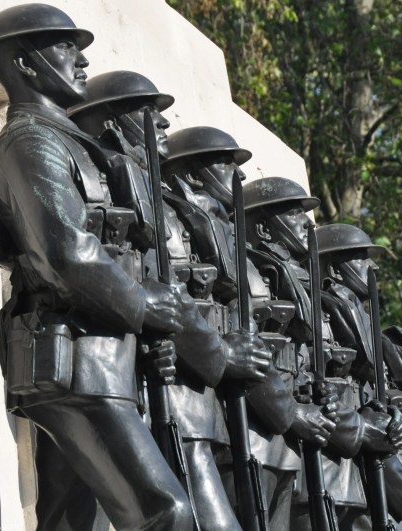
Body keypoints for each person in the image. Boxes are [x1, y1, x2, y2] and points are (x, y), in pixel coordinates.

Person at [0, 5, 194, 530]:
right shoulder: (30, 142)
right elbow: (66, 251)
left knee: (70, 522)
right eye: (66, 46)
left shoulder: (67, 143)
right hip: (74, 360)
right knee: (165, 513)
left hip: (98, 357)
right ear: (24, 62)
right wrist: (143, 305)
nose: (83, 60)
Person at [70, 77, 273, 531]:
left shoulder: (168, 205)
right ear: (113, 122)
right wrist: (214, 352)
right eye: (145, 110)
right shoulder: (116, 182)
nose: (162, 120)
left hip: (178, 388)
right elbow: (118, 276)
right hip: (117, 371)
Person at [162, 130, 340, 531]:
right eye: (226, 165)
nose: (238, 177)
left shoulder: (252, 261)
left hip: (271, 431)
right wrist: (288, 410)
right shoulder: (197, 236)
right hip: (240, 422)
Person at [242, 178, 402, 530]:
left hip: (335, 461)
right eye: (293, 213)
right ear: (262, 227)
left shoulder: (324, 307)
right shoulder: (256, 277)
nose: (307, 223)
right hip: (290, 446)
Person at [317, 223, 402, 529]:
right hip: (344, 485)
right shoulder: (321, 325)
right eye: (360, 257)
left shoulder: (380, 340)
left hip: (388, 494)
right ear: (335, 269)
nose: (373, 266)